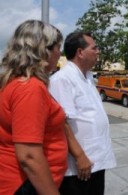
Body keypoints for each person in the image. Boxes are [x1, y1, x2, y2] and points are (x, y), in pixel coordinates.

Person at [0, 20, 67, 195]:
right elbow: (29, 157)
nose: (60, 53)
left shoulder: (15, 82)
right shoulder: (30, 88)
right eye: (58, 47)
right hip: (25, 184)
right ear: (44, 50)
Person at [49, 31, 116, 195]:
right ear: (80, 52)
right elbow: (62, 122)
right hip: (79, 166)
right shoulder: (62, 79)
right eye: (94, 48)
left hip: (96, 160)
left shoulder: (88, 77)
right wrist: (79, 157)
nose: (98, 51)